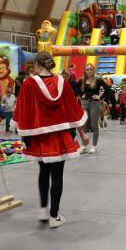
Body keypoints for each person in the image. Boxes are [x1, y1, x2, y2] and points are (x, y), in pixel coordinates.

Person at [12, 51, 89, 228]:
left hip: (40, 137)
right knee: (57, 175)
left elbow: (23, 109)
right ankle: (54, 216)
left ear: (37, 65)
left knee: (43, 172)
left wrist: (23, 134)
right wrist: (82, 133)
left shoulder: (28, 83)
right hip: (60, 136)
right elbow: (72, 108)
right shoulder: (62, 82)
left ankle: (43, 210)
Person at [78, 63, 107, 153]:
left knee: (94, 125)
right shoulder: (82, 80)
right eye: (87, 69)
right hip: (85, 103)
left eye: (91, 69)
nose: (89, 71)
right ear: (85, 70)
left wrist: (100, 97)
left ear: (93, 70)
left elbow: (108, 89)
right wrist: (81, 95)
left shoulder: (98, 80)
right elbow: (75, 89)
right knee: (83, 124)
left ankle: (94, 145)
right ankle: (84, 145)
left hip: (94, 104)